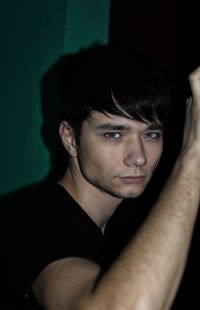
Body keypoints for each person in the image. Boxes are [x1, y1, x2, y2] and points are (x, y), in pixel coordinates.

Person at [0, 44, 199, 310]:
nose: (139, 157)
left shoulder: (124, 227)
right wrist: (194, 156)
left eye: (151, 134)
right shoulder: (32, 219)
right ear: (70, 139)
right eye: (114, 135)